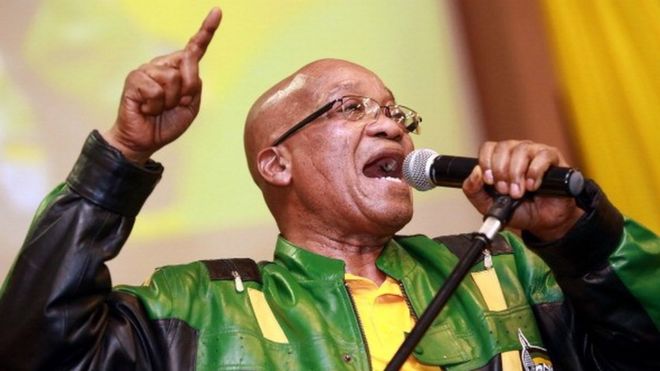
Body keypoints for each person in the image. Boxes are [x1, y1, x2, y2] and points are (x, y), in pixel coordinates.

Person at [1, 7, 659, 371]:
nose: (389, 126)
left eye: (396, 113)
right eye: (348, 108)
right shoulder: (193, 310)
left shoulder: (511, 272)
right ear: (275, 163)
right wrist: (123, 148)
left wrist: (577, 233)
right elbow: (35, 347)